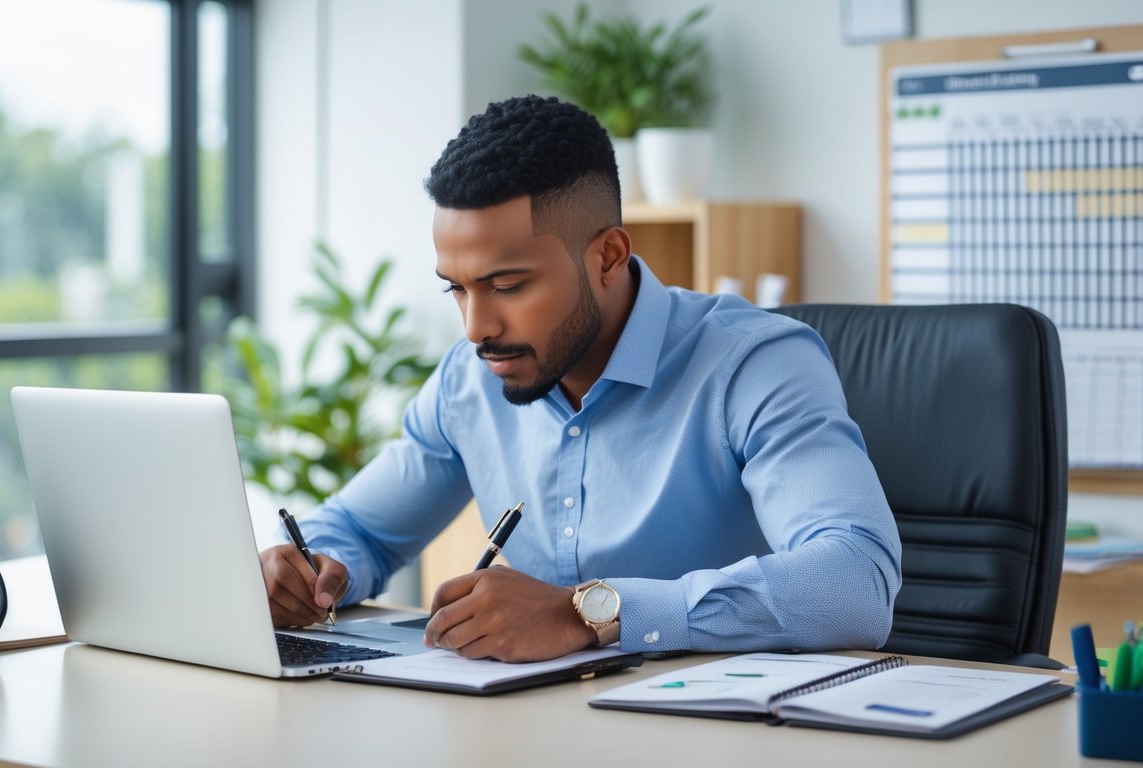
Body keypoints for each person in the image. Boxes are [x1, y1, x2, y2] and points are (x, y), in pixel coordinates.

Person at [260, 94, 901, 663]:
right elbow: (362, 530)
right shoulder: (470, 379)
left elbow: (856, 580)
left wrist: (588, 612)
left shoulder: (754, 363)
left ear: (609, 256)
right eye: (457, 289)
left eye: (508, 285)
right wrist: (313, 570)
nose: (476, 327)